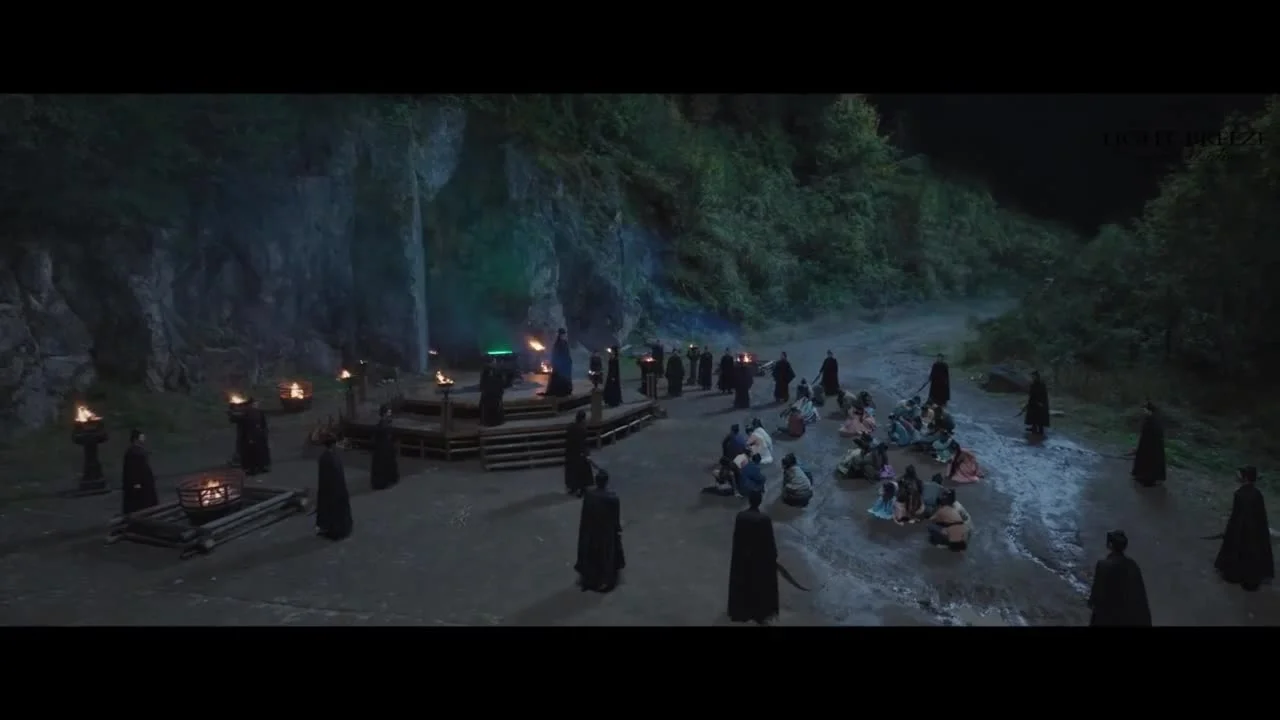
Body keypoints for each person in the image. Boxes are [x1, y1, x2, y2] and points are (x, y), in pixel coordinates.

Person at [1214, 466, 1274, 592]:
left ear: (1245, 478)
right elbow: (1261, 518)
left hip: (1240, 531)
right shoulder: (1258, 494)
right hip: (1255, 533)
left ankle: (1235, 574)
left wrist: (1229, 532)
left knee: (1237, 552)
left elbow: (1236, 517)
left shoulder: (1239, 494)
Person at [727, 490, 780, 625]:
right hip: (759, 559)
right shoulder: (764, 519)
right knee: (759, 585)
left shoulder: (740, 516)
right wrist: (773, 557)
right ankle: (759, 612)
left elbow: (737, 538)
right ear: (760, 501)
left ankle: (741, 611)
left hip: (742, 558)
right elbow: (769, 542)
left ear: (749, 500)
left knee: (743, 584)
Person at [575, 469, 625, 593]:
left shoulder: (589, 496)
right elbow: (615, 519)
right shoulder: (612, 498)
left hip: (591, 530)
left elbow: (585, 514)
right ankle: (605, 579)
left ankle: (589, 577)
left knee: (592, 553)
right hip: (605, 531)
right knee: (606, 555)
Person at [1087, 530, 1151, 626]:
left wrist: (1091, 602)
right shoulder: (1132, 565)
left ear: (1110, 545)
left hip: (1108, 617)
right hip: (1128, 618)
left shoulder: (1103, 565)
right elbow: (1140, 595)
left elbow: (1097, 593)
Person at [315, 432, 353, 541]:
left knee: (329, 509)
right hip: (336, 488)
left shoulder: (324, 457)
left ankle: (330, 528)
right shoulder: (333, 457)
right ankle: (338, 529)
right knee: (337, 510)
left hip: (328, 488)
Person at [121, 428, 158, 515]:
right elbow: (132, 470)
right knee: (139, 505)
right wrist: (136, 484)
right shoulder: (133, 452)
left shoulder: (137, 451)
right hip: (140, 484)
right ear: (136, 439)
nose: (143, 439)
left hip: (144, 483)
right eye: (141, 437)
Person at [1130, 401, 1166, 487]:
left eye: (1145, 410)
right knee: (1144, 460)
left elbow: (1154, 434)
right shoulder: (1149, 419)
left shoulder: (1154, 420)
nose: (1144, 412)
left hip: (1152, 446)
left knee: (1150, 462)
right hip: (1146, 444)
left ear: (1149, 410)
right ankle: (1142, 476)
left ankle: (1149, 479)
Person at [370, 403, 399, 491]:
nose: (390, 413)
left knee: (386, 463)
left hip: (385, 446)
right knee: (383, 464)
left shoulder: (385, 423)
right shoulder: (383, 424)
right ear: (384, 413)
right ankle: (383, 481)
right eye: (388, 412)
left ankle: (387, 479)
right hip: (383, 447)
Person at [564, 410, 593, 497]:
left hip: (570, 453)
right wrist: (587, 454)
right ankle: (582, 490)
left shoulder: (570, 427)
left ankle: (573, 488)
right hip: (580, 453)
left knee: (572, 471)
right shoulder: (582, 429)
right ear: (583, 419)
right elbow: (583, 443)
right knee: (582, 472)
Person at [242, 399, 271, 475]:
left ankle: (261, 467)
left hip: (259, 435)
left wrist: (264, 432)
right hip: (252, 435)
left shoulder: (259, 412)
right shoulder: (247, 414)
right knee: (253, 452)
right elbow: (246, 427)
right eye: (254, 404)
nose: (256, 405)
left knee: (260, 451)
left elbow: (263, 424)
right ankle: (254, 468)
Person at [547, 328, 574, 398]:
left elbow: (567, 353)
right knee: (559, 378)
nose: (563, 336)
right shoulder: (557, 344)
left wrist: (569, 360)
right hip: (559, 364)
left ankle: (566, 390)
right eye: (562, 335)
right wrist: (555, 363)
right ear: (560, 335)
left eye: (564, 335)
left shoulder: (565, 343)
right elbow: (555, 354)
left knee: (565, 377)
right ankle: (559, 391)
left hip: (565, 364)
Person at [479, 358, 506, 426]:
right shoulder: (491, 372)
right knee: (493, 406)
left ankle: (490, 421)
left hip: (492, 393)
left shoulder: (495, 372)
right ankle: (492, 421)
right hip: (491, 393)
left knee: (493, 406)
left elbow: (482, 384)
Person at [1024, 370, 1051, 435]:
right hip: (1033, 403)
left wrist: (1041, 402)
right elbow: (1031, 394)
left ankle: (1040, 430)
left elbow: (1044, 394)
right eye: (1032, 376)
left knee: (1040, 417)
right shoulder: (1033, 384)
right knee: (1033, 416)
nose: (1032, 378)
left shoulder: (1041, 384)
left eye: (1033, 376)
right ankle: (1034, 428)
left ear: (1037, 377)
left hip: (1040, 403)